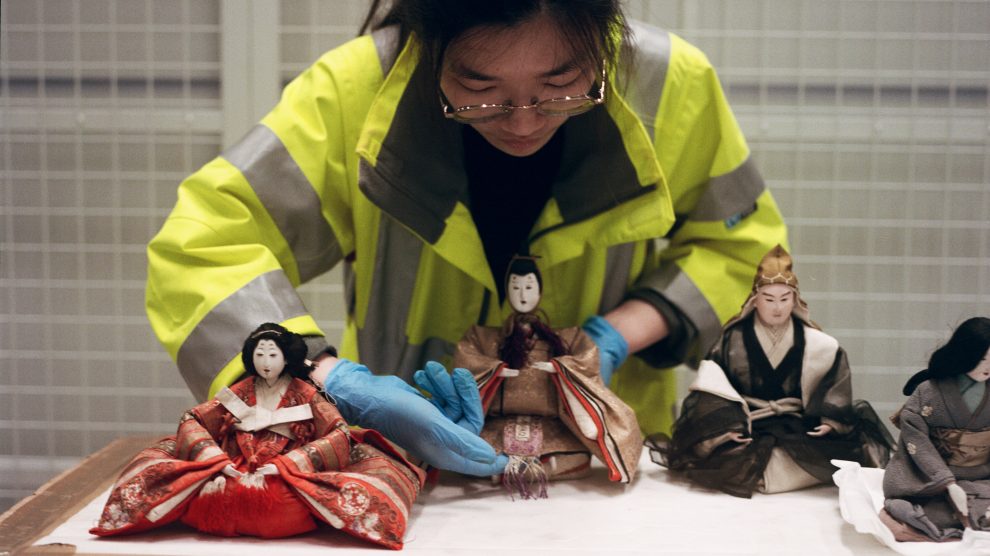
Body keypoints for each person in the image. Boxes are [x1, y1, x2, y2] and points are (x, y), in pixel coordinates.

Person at [146, 0, 787, 477]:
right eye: (479, 91)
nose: (524, 122)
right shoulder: (357, 90)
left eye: (561, 86)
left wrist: (618, 335)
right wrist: (322, 377)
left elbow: (742, 253)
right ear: (429, 43)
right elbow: (201, 248)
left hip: (599, 468)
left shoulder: (668, 84)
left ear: (604, 35)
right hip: (403, 462)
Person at [91, 323, 425, 549]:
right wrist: (214, 459)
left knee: (281, 507)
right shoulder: (240, 391)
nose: (266, 362)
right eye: (260, 354)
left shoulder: (305, 394)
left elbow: (338, 432)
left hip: (288, 470)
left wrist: (290, 465)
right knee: (177, 482)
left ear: (288, 358)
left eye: (273, 355)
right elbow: (195, 418)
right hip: (232, 461)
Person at [648, 246, 893, 498]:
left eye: (784, 299)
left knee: (840, 454)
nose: (777, 308)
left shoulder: (818, 344)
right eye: (769, 299)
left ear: (794, 300)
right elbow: (712, 386)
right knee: (719, 453)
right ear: (755, 300)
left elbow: (834, 385)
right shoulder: (732, 340)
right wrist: (726, 427)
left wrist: (830, 421)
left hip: (796, 426)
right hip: (749, 423)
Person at [451, 256, 642, 498]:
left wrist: (562, 369)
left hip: (554, 423)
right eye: (516, 287)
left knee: (576, 454)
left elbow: (586, 356)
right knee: (469, 449)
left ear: (540, 291)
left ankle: (507, 469)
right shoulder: (484, 337)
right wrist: (494, 370)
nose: (522, 294)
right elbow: (467, 357)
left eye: (529, 287)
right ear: (506, 291)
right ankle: (503, 466)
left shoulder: (565, 338)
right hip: (496, 421)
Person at [881, 317, 990, 542]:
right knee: (915, 509)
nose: (988, 368)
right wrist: (948, 483)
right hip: (930, 478)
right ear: (964, 354)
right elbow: (916, 440)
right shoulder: (928, 392)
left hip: (981, 475)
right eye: (982, 359)